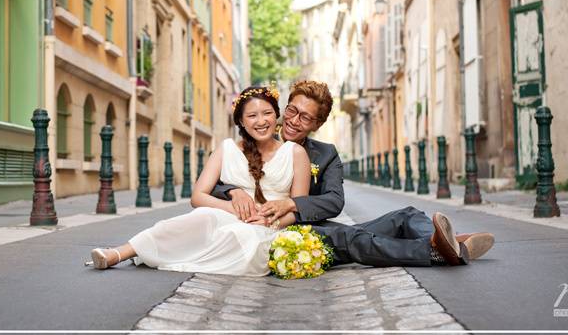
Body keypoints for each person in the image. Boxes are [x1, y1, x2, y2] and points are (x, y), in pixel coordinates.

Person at [212, 80, 494, 267]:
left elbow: (334, 200)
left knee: (405, 215)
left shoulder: (326, 154)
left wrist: (293, 202)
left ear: (317, 124)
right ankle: (437, 250)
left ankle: (445, 241)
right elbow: (219, 178)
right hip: (281, 232)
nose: (294, 121)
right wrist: (231, 191)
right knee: (354, 239)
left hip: (315, 225)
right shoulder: (256, 137)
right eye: (292, 111)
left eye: (306, 117)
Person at [87, 85, 311, 275]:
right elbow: (198, 196)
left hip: (267, 227)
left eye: (267, 113)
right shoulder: (227, 149)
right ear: (241, 122)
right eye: (252, 116)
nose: (261, 121)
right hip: (227, 214)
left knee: (241, 236)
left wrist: (269, 222)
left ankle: (173, 253)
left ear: (276, 115)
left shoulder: (295, 153)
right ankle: (117, 253)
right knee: (198, 218)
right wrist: (233, 206)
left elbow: (299, 207)